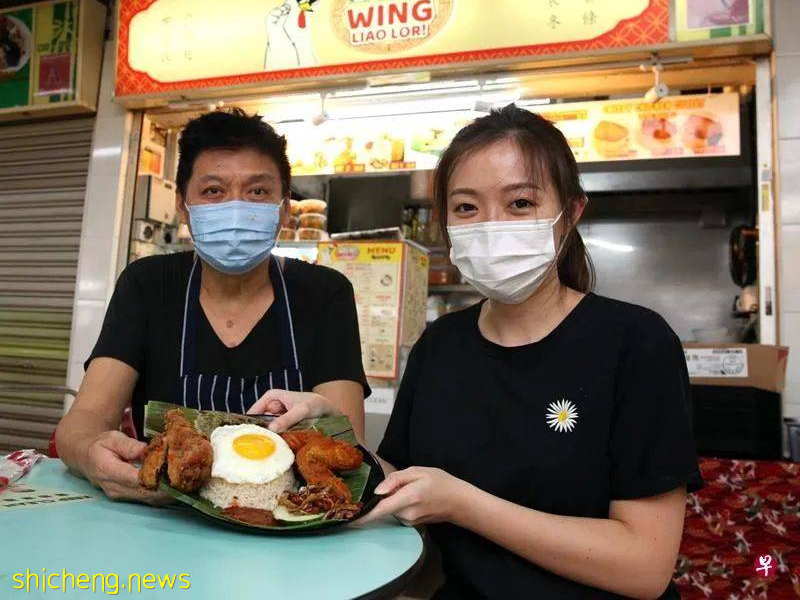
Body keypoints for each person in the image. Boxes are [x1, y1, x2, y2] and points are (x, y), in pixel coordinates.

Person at [259, 105, 702, 599]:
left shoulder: (635, 343)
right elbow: (400, 481)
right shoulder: (442, 343)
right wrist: (330, 431)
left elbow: (644, 566)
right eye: (467, 207)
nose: (492, 226)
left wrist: (466, 505)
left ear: (571, 213)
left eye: (520, 204)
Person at [56, 108, 369, 504]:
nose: (236, 208)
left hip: (284, 523)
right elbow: (81, 423)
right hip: (162, 518)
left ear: (284, 209)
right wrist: (91, 457)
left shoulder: (324, 293)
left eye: (258, 191)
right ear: (183, 207)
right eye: (213, 191)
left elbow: (349, 446)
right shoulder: (148, 285)